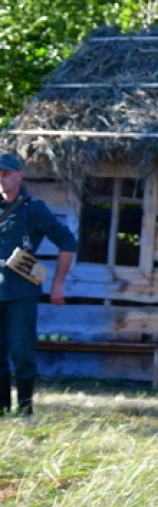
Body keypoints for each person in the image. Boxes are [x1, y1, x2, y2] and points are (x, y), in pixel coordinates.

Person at [0, 152, 76, 416]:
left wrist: (58, 284)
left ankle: (24, 409)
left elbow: (67, 242)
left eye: (6, 174)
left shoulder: (33, 207)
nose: (2, 179)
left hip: (21, 291)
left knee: (22, 353)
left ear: (19, 175)